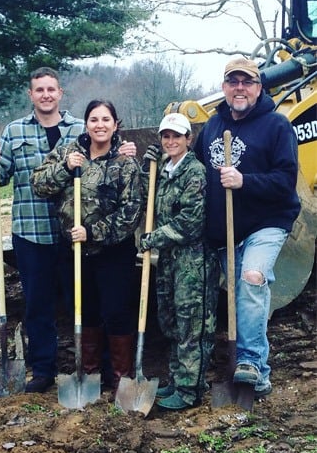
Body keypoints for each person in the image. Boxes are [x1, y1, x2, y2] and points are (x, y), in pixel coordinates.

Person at [0, 68, 136, 394]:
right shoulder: (16, 131)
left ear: (60, 93)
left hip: (75, 238)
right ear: (31, 94)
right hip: (32, 230)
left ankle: (107, 374)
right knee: (39, 305)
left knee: (86, 305)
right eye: (40, 89)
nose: (46, 94)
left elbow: (109, 147)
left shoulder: (80, 128)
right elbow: (8, 177)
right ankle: (43, 370)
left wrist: (126, 151)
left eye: (51, 88)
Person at [194, 57, 301, 399]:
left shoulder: (276, 126)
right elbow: (194, 169)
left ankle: (251, 361)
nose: (239, 88)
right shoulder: (211, 127)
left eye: (247, 82)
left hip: (267, 222)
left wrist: (244, 181)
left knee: (252, 278)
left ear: (258, 87)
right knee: (241, 296)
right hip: (227, 228)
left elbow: (285, 181)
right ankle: (262, 375)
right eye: (233, 82)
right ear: (224, 87)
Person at [30, 99, 143, 392]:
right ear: (86, 124)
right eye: (94, 119)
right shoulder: (70, 152)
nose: (100, 125)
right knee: (85, 310)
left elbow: (131, 211)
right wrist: (66, 169)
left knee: (116, 311)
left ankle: (120, 378)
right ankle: (90, 375)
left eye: (106, 119)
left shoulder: (125, 162)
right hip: (73, 252)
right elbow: (38, 184)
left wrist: (92, 233)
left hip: (113, 252)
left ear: (115, 124)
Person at [140, 113, 220, 411]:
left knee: (192, 326)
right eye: (166, 136)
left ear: (188, 139)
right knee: (171, 321)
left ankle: (190, 391)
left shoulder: (194, 172)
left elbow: (190, 223)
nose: (170, 141)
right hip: (170, 261)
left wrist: (153, 238)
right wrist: (145, 168)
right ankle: (177, 379)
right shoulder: (163, 169)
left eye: (177, 136)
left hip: (193, 262)